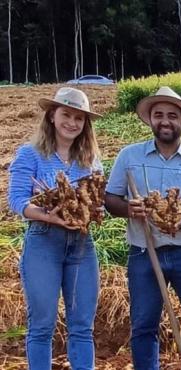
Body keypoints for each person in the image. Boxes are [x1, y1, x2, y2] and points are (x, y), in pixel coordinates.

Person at [104, 86, 181, 370]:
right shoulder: (129, 157)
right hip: (143, 251)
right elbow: (111, 199)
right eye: (158, 115)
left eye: (172, 115)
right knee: (144, 324)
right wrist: (128, 209)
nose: (165, 121)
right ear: (150, 120)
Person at [8, 87, 103, 370]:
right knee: (41, 325)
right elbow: (17, 201)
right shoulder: (30, 154)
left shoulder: (90, 159)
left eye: (79, 118)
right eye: (66, 114)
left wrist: (97, 210)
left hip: (82, 246)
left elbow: (98, 201)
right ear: (52, 116)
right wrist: (51, 216)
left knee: (82, 326)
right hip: (43, 244)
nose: (72, 123)